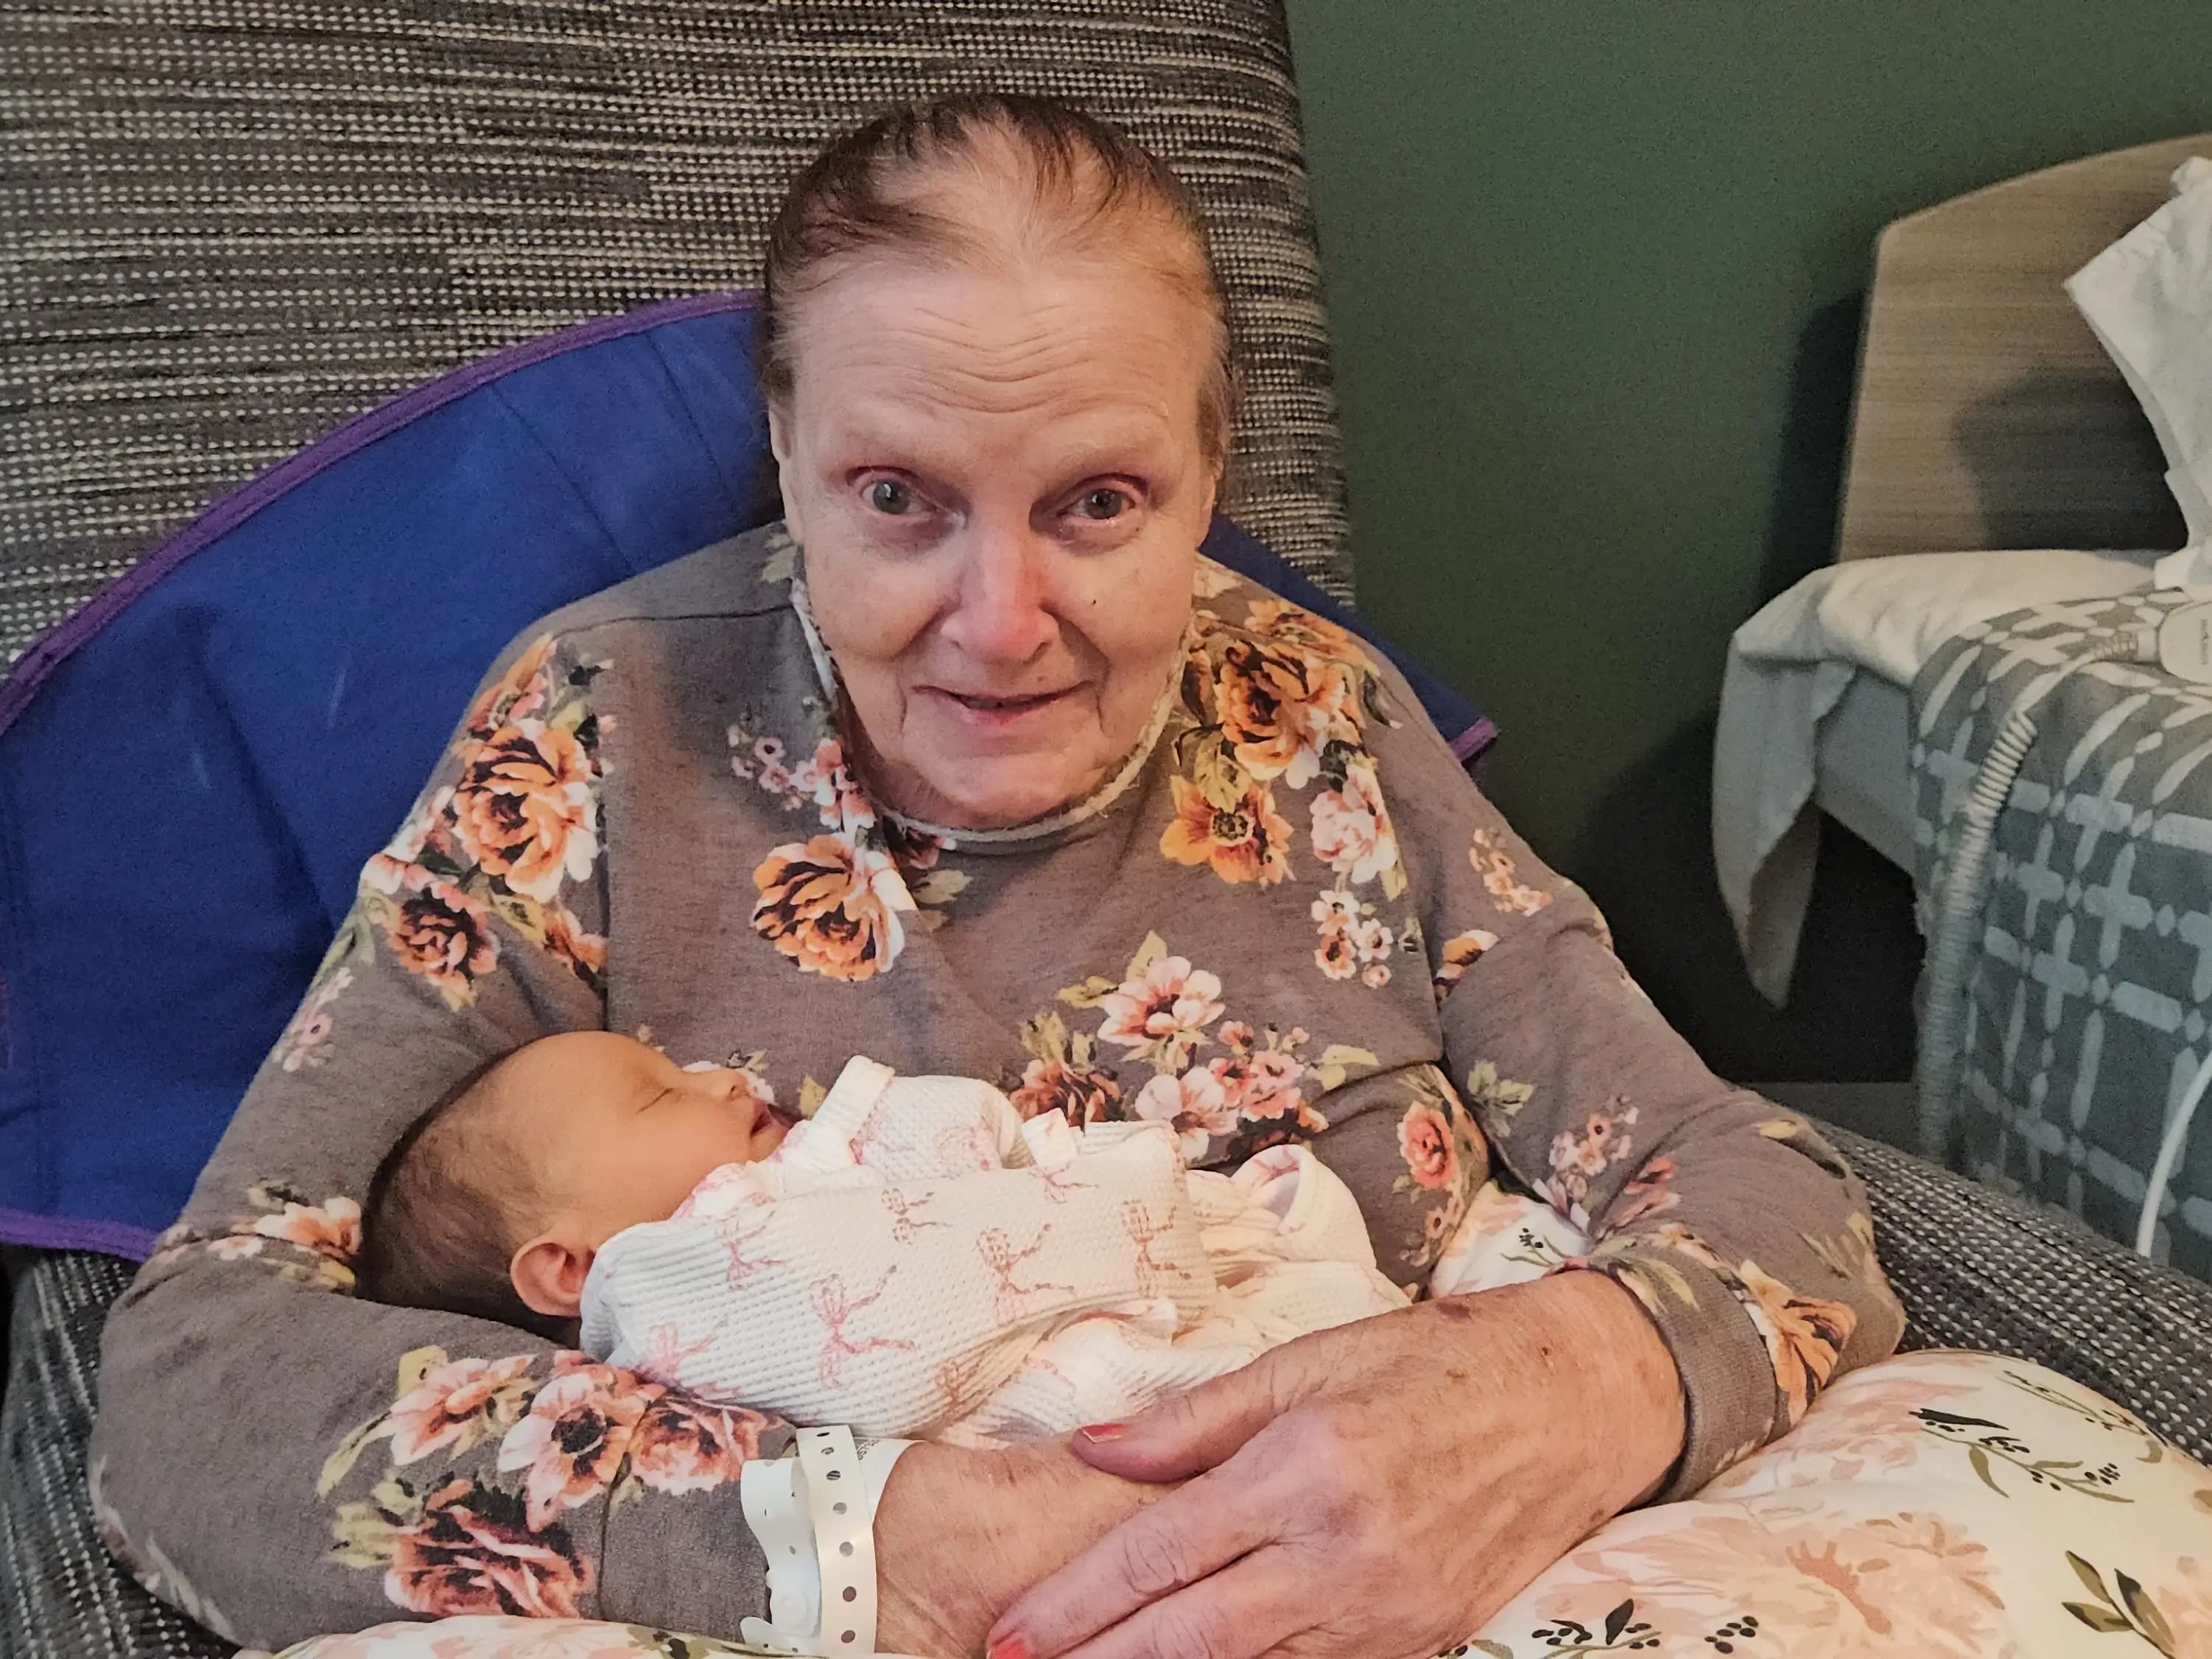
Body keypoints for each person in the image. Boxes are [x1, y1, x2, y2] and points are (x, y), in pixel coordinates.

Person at [91, 92, 1904, 1659]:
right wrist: (894, 1535)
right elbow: (192, 1389)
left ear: (1209, 476)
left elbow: (1746, 1183)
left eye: (1099, 502)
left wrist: (1569, 1387)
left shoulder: (1320, 725)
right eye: (897, 496)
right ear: (786, 457)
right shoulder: (594, 730)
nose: (999, 621)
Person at [354, 1031, 1409, 1445]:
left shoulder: (768, 1200)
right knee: (1303, 1347)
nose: (720, 1077)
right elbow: (896, 1334)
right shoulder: (674, 1281)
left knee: (1295, 1235)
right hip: (1070, 1368)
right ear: (572, 1266)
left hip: (1119, 1274)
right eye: (657, 1097)